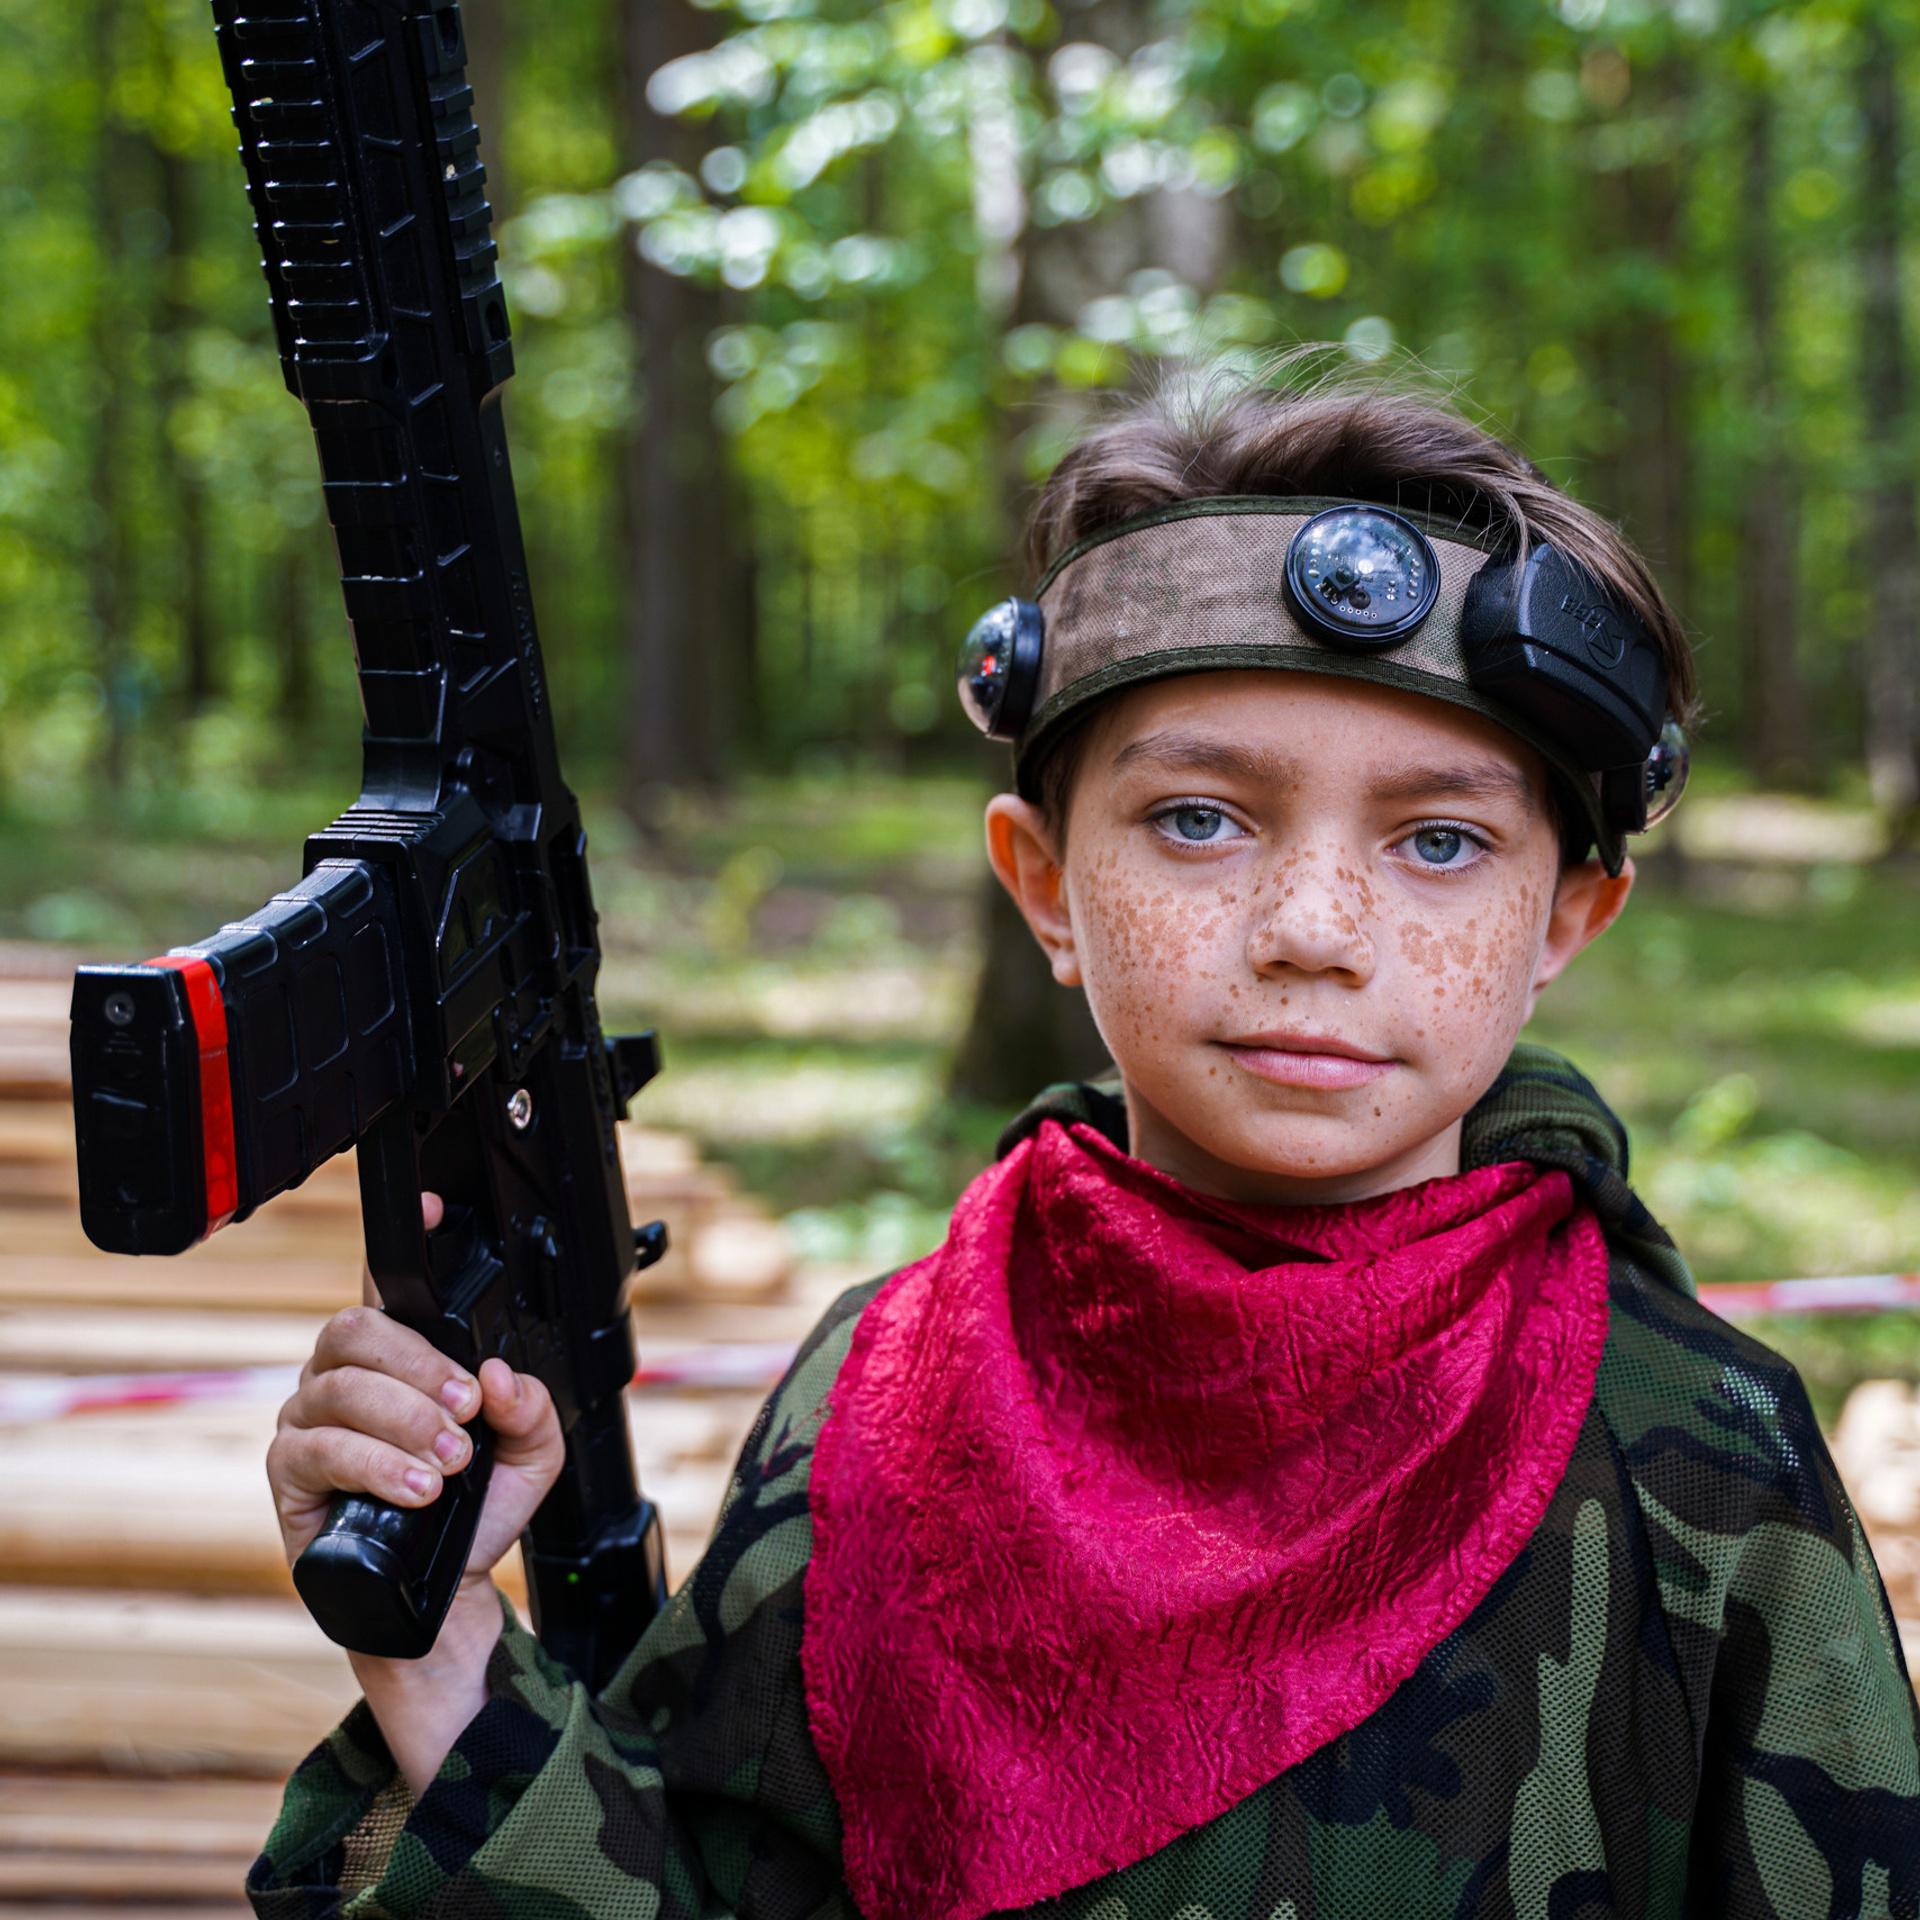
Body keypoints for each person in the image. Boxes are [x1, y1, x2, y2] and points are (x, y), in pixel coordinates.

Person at [248, 372, 1920, 1920]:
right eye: (1199, 819)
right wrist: (441, 1654)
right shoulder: (888, 1393)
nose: (1313, 929)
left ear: (1570, 913)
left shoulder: (1695, 1462)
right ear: (1045, 884)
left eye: (1439, 840)